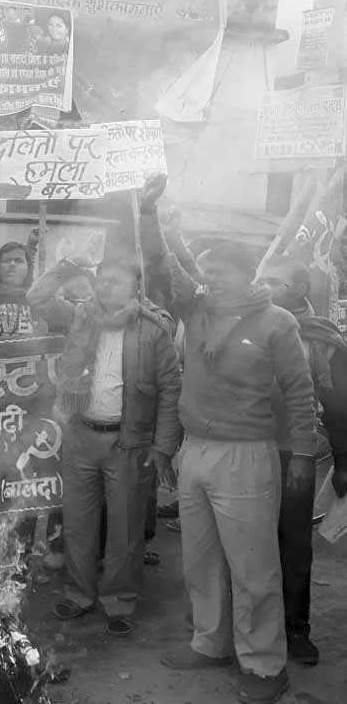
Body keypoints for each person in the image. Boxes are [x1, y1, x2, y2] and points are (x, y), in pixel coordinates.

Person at [141, 177, 313, 704]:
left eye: (220, 270)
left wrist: (304, 453)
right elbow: (165, 268)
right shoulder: (196, 312)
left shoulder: (276, 323)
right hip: (197, 451)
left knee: (254, 565)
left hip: (246, 455)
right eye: (208, 270)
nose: (210, 278)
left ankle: (264, 665)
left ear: (245, 273)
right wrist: (147, 213)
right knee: (201, 558)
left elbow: (301, 393)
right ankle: (210, 642)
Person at [28, 251, 180, 636]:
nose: (104, 286)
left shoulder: (154, 329)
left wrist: (162, 449)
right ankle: (80, 594)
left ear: (136, 286)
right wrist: (65, 268)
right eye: (101, 279)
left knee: (125, 529)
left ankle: (119, 601)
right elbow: (38, 299)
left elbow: (170, 391)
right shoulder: (82, 315)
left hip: (128, 443)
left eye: (115, 280)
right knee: (78, 525)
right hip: (80, 436)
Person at [258, 254, 347, 665]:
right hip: (247, 450)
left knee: (294, 544)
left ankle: (296, 628)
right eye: (265, 278)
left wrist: (343, 461)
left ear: (301, 289)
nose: (268, 286)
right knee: (245, 541)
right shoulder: (247, 322)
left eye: (279, 280)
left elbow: (339, 407)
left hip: (297, 453)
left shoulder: (323, 340)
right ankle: (246, 622)